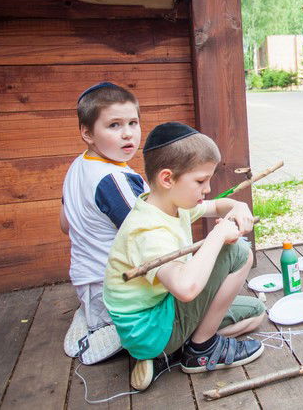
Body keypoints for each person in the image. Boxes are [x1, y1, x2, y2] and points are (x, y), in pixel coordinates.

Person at [103, 122, 265, 390]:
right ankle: (200, 350)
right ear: (167, 178)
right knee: (238, 251)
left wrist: (238, 205)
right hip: (151, 327)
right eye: (201, 181)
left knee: (256, 313)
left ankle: (169, 354)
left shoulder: (169, 204)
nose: (208, 188)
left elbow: (216, 205)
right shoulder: (148, 230)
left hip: (156, 322)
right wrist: (217, 236)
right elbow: (186, 289)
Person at [61, 82, 146, 365]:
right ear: (87, 133)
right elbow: (146, 236)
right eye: (114, 125)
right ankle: (117, 330)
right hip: (118, 292)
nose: (127, 133)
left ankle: (91, 318)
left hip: (87, 284)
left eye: (133, 123)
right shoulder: (113, 179)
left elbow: (65, 224)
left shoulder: (79, 166)